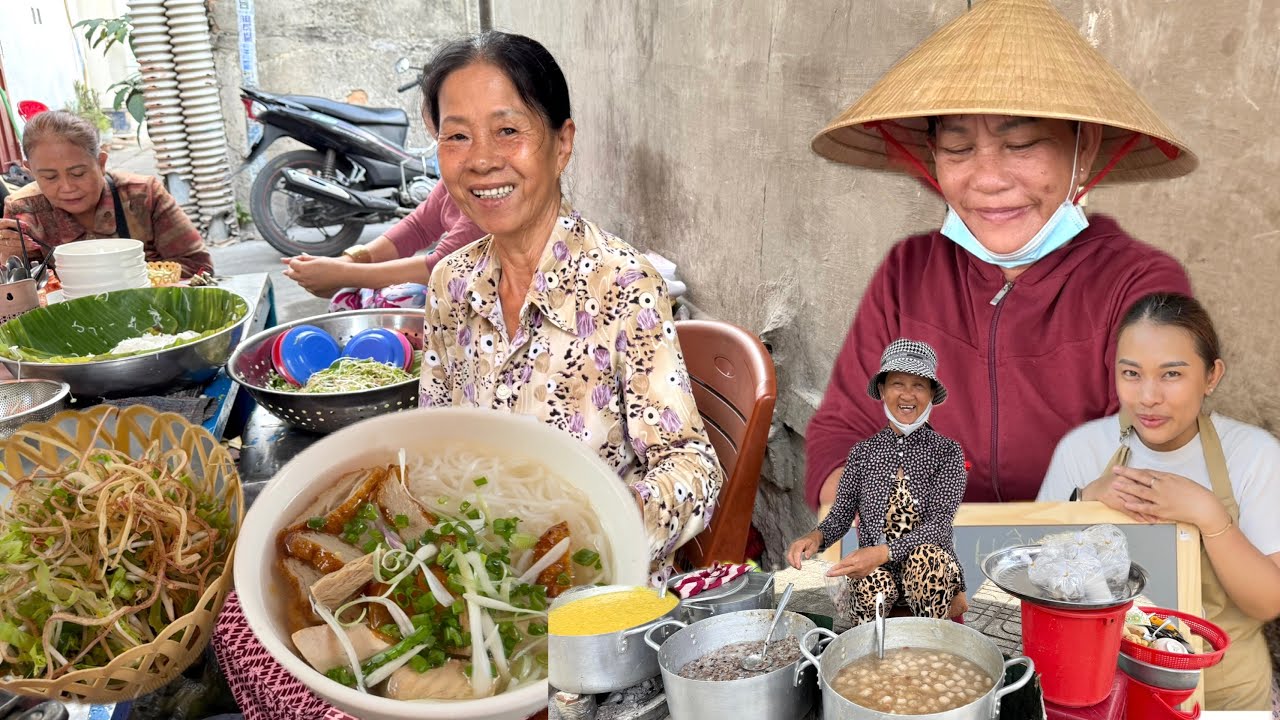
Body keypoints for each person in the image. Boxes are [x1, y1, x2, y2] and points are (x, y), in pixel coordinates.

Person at [804, 0, 1196, 513]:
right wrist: (862, 497)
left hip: (1077, 558)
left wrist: (1051, 512)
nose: (988, 180)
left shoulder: (1138, 285)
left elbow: (1144, 463)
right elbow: (844, 428)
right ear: (933, 155)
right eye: (958, 149)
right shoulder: (908, 273)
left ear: (1084, 149)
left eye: (1022, 144)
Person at [415, 31, 723, 581]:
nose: (481, 160)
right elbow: (433, 440)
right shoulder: (450, 285)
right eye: (457, 136)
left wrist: (595, 530)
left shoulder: (623, 285)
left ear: (562, 144)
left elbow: (693, 469)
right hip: (478, 578)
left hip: (594, 594)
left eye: (508, 131)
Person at [1038, 293, 1280, 711]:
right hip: (1101, 694)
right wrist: (1085, 501)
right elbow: (1034, 583)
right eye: (1131, 373)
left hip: (1225, 697)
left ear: (1212, 375)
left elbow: (1267, 603)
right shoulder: (1082, 449)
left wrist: (1208, 515)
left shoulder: (1254, 454)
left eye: (1171, 374)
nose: (1148, 396)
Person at [788, 339, 967, 626]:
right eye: (897, 384)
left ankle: (930, 639)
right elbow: (841, 515)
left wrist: (882, 553)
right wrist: (815, 537)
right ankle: (872, 648)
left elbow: (939, 524)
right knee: (870, 583)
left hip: (929, 576)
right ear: (882, 390)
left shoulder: (947, 452)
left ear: (931, 394)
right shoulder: (863, 453)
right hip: (877, 574)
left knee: (927, 560)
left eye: (919, 385)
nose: (907, 394)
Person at [0, 111, 211, 277]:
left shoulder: (143, 195)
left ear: (101, 163)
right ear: (30, 171)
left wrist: (137, 276)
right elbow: (21, 290)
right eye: (49, 177)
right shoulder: (23, 211)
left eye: (78, 173)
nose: (67, 187)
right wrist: (7, 257)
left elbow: (199, 267)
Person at [280, 180, 487, 310]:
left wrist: (342, 274)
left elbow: (442, 267)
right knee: (349, 297)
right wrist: (347, 262)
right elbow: (418, 227)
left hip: (481, 301)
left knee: (395, 300)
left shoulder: (488, 191)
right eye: (452, 136)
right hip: (449, 276)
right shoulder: (453, 174)